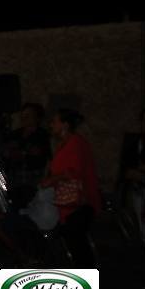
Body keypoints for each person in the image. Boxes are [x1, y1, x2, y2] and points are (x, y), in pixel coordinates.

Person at [40, 108, 102, 267]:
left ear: (65, 125)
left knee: (78, 245)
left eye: (54, 121)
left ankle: (86, 283)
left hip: (81, 203)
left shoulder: (75, 143)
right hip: (71, 204)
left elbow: (73, 172)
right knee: (75, 244)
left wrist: (51, 180)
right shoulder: (66, 143)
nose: (51, 125)